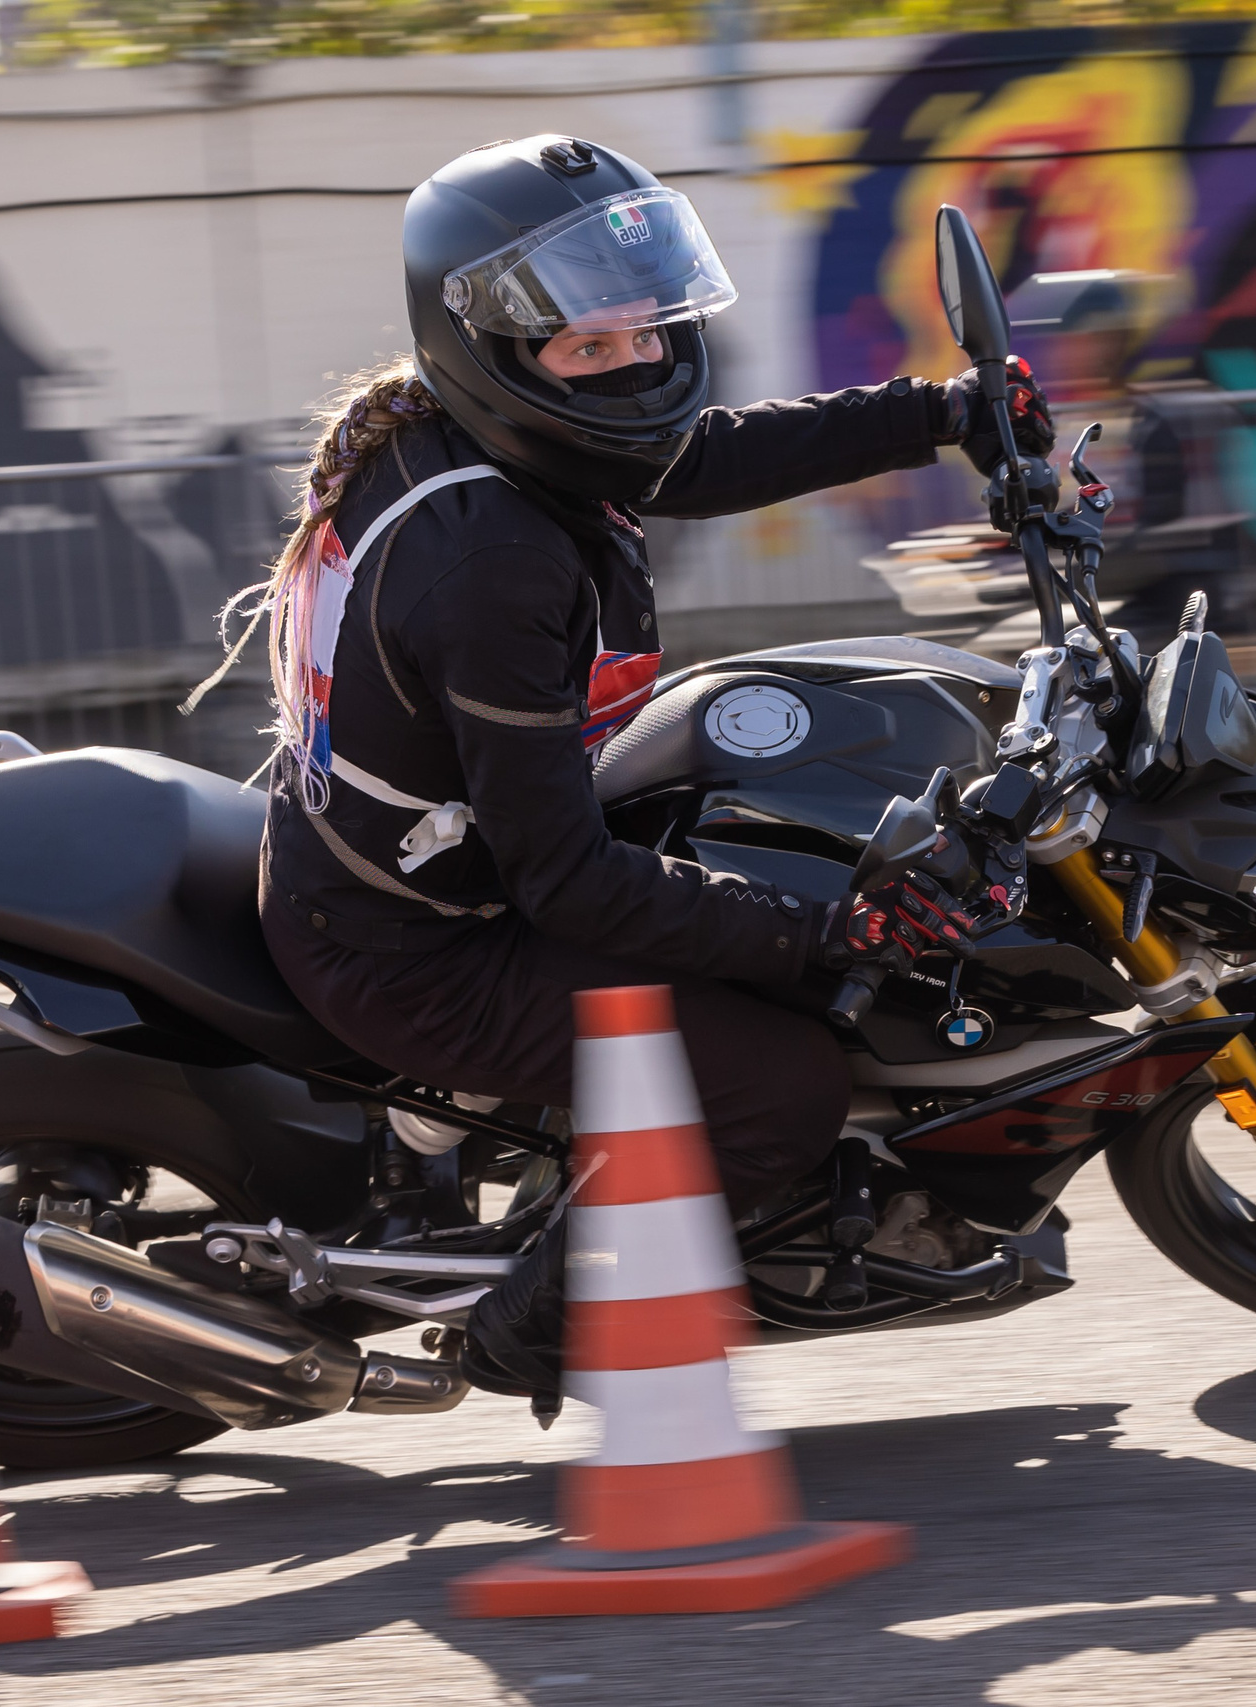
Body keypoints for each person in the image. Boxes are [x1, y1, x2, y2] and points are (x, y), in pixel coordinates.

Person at [212, 135, 1052, 1402]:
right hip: (417, 945)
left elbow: (698, 456)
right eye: (587, 348)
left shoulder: (488, 437)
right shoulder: (490, 559)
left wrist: (939, 415)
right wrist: (832, 930)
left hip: (420, 864)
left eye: (645, 332)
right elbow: (566, 882)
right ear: (493, 348)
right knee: (779, 1084)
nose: (635, 366)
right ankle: (528, 1326)